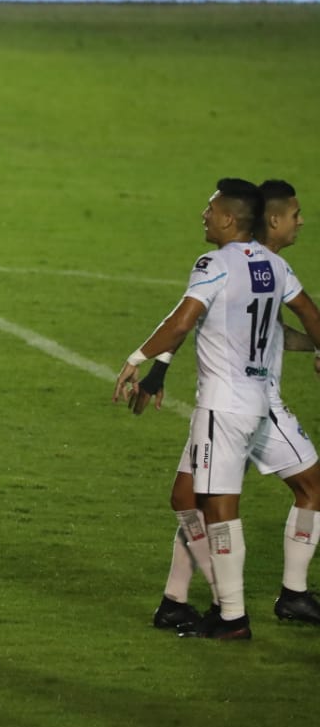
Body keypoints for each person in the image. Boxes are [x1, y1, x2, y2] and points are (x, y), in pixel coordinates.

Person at [113, 178, 320, 640]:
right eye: (295, 215)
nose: (203, 216)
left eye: (210, 210)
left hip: (224, 408)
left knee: (218, 510)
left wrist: (138, 359)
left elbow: (184, 318)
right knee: (186, 499)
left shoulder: (215, 263)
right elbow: (303, 317)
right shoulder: (274, 266)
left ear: (230, 218)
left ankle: (231, 617)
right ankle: (176, 602)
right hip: (257, 405)